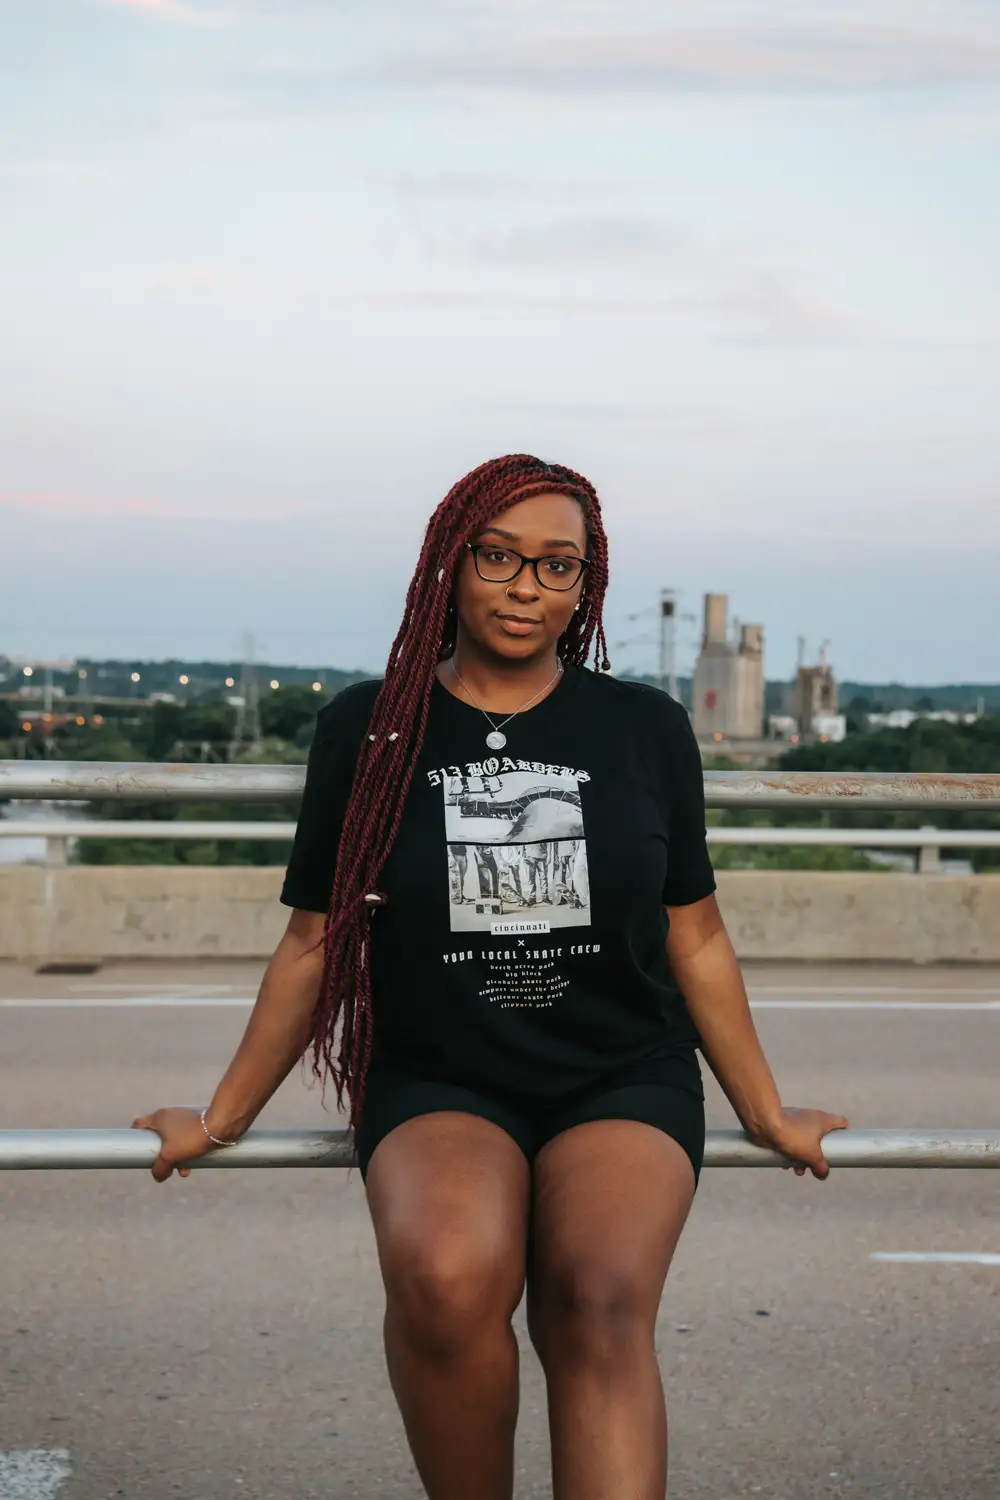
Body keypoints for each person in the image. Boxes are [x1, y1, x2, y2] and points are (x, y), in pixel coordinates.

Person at [132, 453, 847, 1500]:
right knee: (445, 1279)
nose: (526, 586)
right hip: (440, 1072)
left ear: (585, 585)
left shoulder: (642, 726)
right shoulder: (368, 727)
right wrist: (220, 1116)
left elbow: (692, 935)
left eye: (557, 566)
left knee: (596, 1296)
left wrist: (767, 1110)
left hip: (617, 1072)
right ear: (447, 565)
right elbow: (314, 943)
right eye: (500, 557)